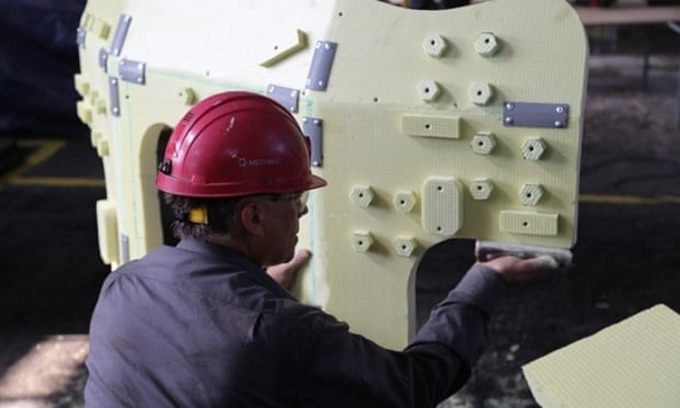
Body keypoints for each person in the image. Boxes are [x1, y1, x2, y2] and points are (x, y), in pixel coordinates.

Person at [84, 91, 557, 407]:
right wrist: (482, 283)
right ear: (252, 217)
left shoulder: (122, 286)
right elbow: (414, 385)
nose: (304, 212)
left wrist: (250, 294)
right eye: (296, 197)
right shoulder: (283, 332)